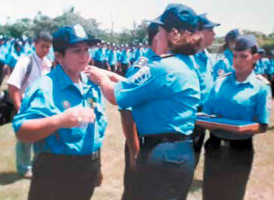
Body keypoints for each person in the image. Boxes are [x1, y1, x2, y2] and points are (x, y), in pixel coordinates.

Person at [85, 3, 203, 200]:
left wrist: (101, 79)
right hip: (181, 152)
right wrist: (110, 75)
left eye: (160, 29)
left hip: (162, 153)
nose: (156, 34)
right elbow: (149, 88)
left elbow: (116, 96)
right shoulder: (184, 63)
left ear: (172, 34)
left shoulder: (161, 67)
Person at [12, 24, 107, 200]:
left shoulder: (90, 84)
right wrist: (60, 120)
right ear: (58, 56)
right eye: (76, 50)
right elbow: (22, 130)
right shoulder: (44, 87)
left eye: (86, 49)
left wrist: (97, 166)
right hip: (56, 171)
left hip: (88, 166)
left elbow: (96, 129)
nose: (84, 56)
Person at [201, 35, 271, 200]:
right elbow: (206, 112)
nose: (238, 61)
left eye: (243, 56)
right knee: (210, 193)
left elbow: (262, 125)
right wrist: (207, 120)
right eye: (235, 56)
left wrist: (240, 128)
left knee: (233, 194)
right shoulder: (219, 83)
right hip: (215, 145)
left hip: (240, 149)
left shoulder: (260, 87)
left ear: (255, 57)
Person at [7, 32, 52, 179]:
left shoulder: (48, 63)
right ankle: (24, 168)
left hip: (43, 107)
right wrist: (19, 107)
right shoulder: (25, 61)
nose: (45, 50)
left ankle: (37, 166)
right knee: (25, 140)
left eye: (48, 47)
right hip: (27, 106)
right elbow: (13, 86)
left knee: (42, 137)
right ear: (35, 44)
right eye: (43, 46)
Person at [192, 14, 220, 158]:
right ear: (199, 32)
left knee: (197, 149)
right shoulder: (188, 58)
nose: (214, 34)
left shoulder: (208, 57)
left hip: (206, 112)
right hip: (191, 113)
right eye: (211, 30)